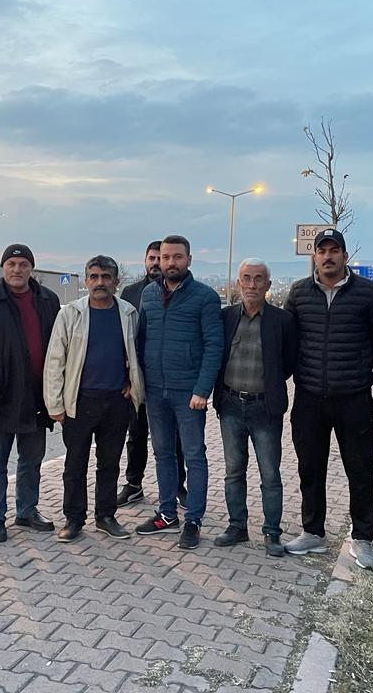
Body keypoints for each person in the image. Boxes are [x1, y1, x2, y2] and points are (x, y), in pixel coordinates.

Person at [283, 228, 373, 568]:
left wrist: (354, 365)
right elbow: (290, 338)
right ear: (314, 256)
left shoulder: (368, 294)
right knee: (309, 468)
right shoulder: (299, 293)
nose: (327, 256)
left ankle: (363, 538)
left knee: (359, 470)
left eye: (334, 251)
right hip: (309, 397)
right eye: (322, 251)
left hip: (353, 397)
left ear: (345, 255)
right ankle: (312, 532)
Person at [0, 244, 61, 543]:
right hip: (0, 396)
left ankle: (27, 511)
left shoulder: (48, 300)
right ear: (3, 268)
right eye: (11, 264)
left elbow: (59, 345)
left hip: (37, 397)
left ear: (31, 268)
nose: (17, 270)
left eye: (23, 264)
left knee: (31, 460)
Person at [44, 255, 144, 542]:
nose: (100, 282)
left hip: (116, 401)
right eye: (94, 277)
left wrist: (132, 383)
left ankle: (106, 516)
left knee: (109, 464)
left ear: (116, 281)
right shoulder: (70, 314)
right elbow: (55, 359)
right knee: (75, 465)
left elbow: (135, 354)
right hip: (80, 401)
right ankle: (74, 519)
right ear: (86, 280)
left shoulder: (128, 313)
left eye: (106, 277)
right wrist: (55, 404)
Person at [135, 234, 223, 550]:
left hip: (189, 394)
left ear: (188, 260)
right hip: (155, 391)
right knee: (162, 454)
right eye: (165, 257)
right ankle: (167, 513)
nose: (170, 262)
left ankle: (193, 520)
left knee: (194, 455)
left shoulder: (205, 297)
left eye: (177, 257)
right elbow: (140, 340)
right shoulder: (148, 294)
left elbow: (214, 346)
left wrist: (202, 390)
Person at [213, 259, 296, 557]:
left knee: (270, 474)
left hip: (265, 408)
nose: (252, 284)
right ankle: (237, 526)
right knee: (233, 471)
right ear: (238, 283)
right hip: (230, 406)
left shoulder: (282, 321)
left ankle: (272, 533)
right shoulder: (225, 317)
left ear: (268, 285)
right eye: (246, 278)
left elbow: (288, 363)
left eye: (258, 279)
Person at [117, 241, 187, 508]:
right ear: (145, 260)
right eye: (152, 258)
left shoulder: (178, 291)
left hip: (168, 379)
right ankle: (133, 484)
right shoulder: (131, 292)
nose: (157, 263)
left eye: (161, 258)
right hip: (138, 376)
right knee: (136, 434)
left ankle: (177, 486)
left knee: (174, 437)